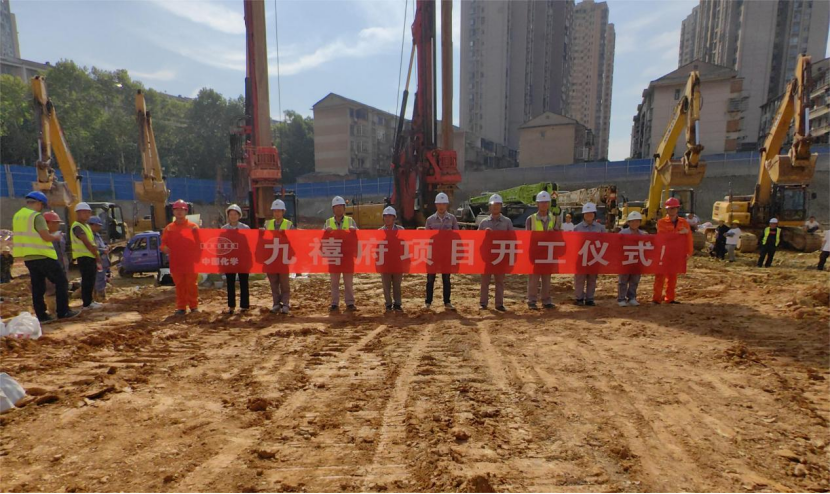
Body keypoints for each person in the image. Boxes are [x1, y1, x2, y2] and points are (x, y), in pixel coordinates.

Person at [11, 192, 79, 323]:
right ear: (39, 203)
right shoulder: (36, 217)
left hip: (28, 257)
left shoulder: (18, 216)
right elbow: (46, 237)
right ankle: (63, 311)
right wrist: (56, 236)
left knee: (38, 287)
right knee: (61, 281)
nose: (42, 208)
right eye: (42, 205)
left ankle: (41, 315)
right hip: (43, 255)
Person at [161, 199, 200, 316]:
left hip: (190, 262)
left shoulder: (193, 227)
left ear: (186, 211)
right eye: (176, 209)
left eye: (182, 210)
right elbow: (163, 244)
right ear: (173, 212)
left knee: (191, 285)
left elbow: (200, 244)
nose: (179, 212)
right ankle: (181, 307)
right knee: (179, 285)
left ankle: (194, 306)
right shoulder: (169, 228)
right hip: (176, 262)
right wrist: (164, 248)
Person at [653, 197, 694, 304]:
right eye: (670, 208)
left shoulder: (684, 222)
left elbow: (688, 238)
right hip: (663, 253)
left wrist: (689, 252)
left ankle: (670, 298)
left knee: (672, 276)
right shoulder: (661, 222)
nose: (672, 210)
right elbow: (663, 237)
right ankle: (656, 298)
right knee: (660, 275)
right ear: (666, 210)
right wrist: (678, 233)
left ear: (677, 209)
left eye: (674, 208)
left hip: (676, 253)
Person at [424, 192, 459, 311]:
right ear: (436, 205)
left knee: (446, 279)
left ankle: (447, 302)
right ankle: (428, 302)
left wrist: (450, 234)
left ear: (447, 205)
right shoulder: (430, 220)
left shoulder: (452, 219)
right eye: (439, 203)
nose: (441, 206)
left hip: (447, 253)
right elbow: (426, 237)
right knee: (430, 279)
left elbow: (457, 235)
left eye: (443, 204)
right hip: (433, 254)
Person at [479, 194, 513, 311]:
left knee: (499, 281)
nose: (495, 207)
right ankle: (483, 303)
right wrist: (484, 233)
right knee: (485, 281)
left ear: (501, 206)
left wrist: (510, 257)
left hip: (501, 256)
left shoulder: (507, 222)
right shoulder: (484, 223)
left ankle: (499, 304)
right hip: (487, 257)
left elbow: (512, 239)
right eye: (493, 205)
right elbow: (477, 239)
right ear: (489, 207)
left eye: (498, 205)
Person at [326, 196, 358, 312]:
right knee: (334, 283)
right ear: (333, 209)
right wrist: (326, 232)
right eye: (336, 207)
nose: (338, 209)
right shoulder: (328, 222)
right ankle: (334, 303)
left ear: (344, 208)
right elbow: (322, 239)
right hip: (334, 256)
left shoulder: (350, 221)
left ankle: (350, 303)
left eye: (340, 206)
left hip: (347, 256)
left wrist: (354, 232)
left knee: (348, 282)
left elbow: (358, 237)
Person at [526, 191, 557, 310]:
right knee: (533, 279)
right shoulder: (531, 219)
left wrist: (554, 233)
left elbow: (558, 234)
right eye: (541, 202)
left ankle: (546, 300)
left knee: (546, 279)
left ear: (548, 204)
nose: (544, 204)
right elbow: (527, 236)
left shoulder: (553, 218)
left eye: (546, 202)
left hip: (548, 253)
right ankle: (532, 301)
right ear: (537, 204)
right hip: (535, 253)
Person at [71, 202, 103, 310]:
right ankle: (87, 303)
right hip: (84, 256)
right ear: (78, 213)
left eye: (88, 212)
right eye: (84, 212)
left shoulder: (86, 226)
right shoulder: (77, 227)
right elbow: (87, 243)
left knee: (91, 279)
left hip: (90, 256)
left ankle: (90, 301)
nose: (87, 215)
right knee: (87, 280)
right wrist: (97, 255)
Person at [265, 199, 294, 314]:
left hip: (283, 257)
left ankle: (285, 304)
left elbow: (294, 240)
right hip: (271, 257)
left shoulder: (289, 224)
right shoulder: (267, 224)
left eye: (279, 211)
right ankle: (276, 303)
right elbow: (264, 241)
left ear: (283, 212)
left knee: (284, 282)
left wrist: (285, 235)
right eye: (275, 211)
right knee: (273, 282)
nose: (277, 213)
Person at [574, 202, 605, 306]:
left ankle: (589, 299)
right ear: (583, 215)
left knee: (592, 279)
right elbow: (573, 244)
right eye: (587, 214)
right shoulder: (577, 228)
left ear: (594, 214)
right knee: (580, 279)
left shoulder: (600, 228)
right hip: (581, 257)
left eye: (591, 213)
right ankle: (579, 298)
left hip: (594, 256)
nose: (589, 215)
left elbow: (605, 242)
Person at [222, 204, 250, 315]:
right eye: (231, 214)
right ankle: (231, 306)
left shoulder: (245, 228)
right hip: (230, 259)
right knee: (230, 283)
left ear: (239, 215)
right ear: (228, 216)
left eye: (235, 214)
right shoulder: (224, 229)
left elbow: (250, 244)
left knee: (244, 282)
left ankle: (244, 305)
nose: (233, 216)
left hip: (243, 259)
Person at [618, 211, 647, 307]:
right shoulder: (622, 233)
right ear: (628, 222)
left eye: (637, 221)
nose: (635, 223)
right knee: (623, 280)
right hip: (625, 260)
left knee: (635, 280)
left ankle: (632, 298)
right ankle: (621, 299)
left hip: (637, 260)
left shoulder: (643, 234)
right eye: (632, 221)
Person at [43, 211, 69, 316]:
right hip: (49, 266)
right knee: (51, 289)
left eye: (58, 223)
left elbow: (63, 251)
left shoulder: (61, 236)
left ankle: (63, 309)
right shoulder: (43, 237)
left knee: (62, 287)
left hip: (61, 264)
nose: (58, 225)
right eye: (55, 223)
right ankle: (52, 310)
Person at [379, 206, 404, 312]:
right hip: (385, 262)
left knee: (397, 285)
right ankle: (388, 304)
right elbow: (376, 248)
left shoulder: (401, 230)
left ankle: (397, 303)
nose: (387, 218)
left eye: (390, 216)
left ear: (394, 218)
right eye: (385, 216)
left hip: (398, 262)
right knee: (386, 285)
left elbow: (406, 245)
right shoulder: (379, 231)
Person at [88, 217, 111, 303]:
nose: (99, 228)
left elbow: (100, 246)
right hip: (97, 260)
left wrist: (106, 247)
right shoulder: (90, 236)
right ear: (91, 225)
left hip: (102, 261)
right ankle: (99, 297)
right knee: (99, 279)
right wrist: (103, 250)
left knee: (101, 278)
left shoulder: (97, 235)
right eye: (97, 226)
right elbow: (93, 247)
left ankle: (98, 297)